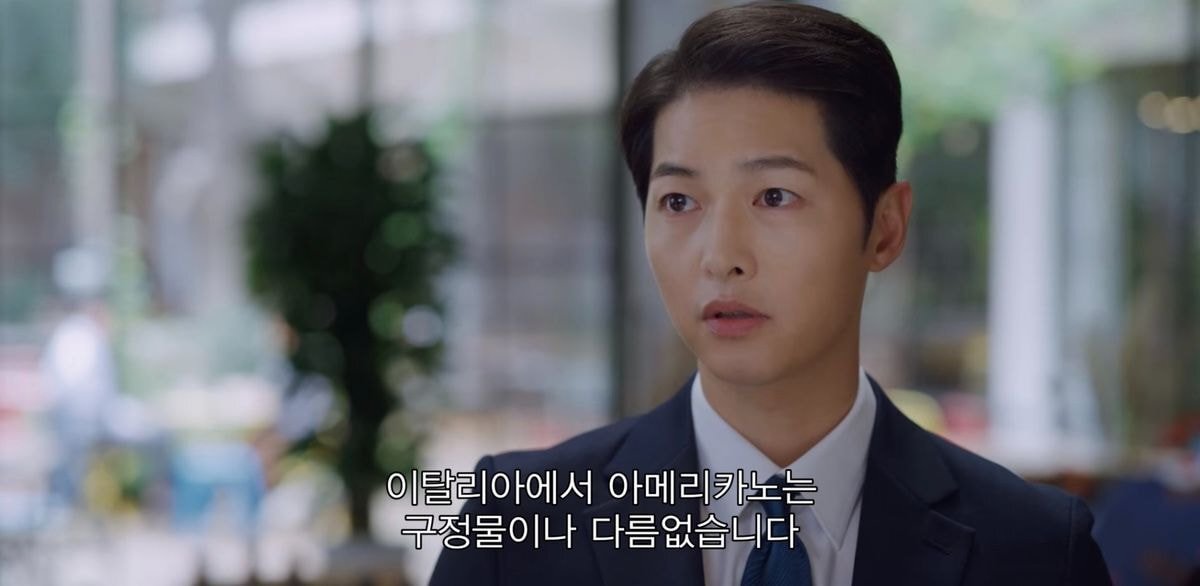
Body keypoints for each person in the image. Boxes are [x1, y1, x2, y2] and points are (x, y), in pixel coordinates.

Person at [430, 2, 1113, 584]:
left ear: (884, 228)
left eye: (775, 196)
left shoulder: (1035, 550)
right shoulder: (516, 525)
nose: (721, 257)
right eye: (679, 201)